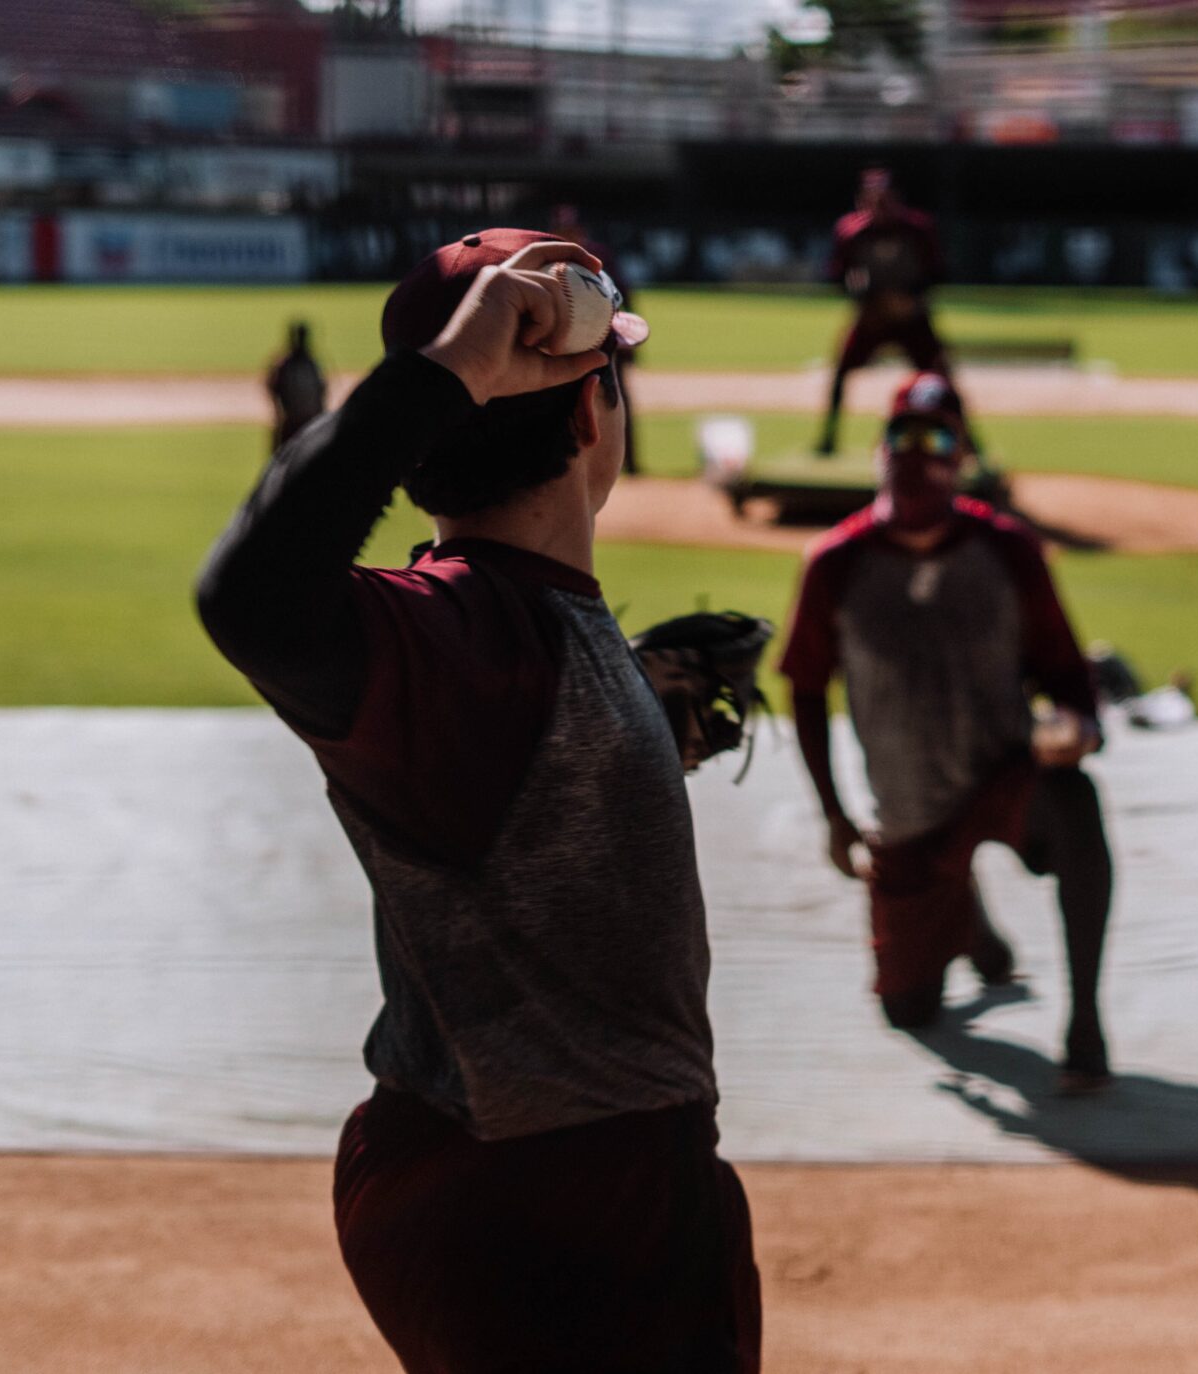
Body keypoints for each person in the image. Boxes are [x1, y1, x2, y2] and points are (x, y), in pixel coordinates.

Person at [195, 230, 761, 1373]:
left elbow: (511, 774)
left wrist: (636, 727)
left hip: (541, 1183)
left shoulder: (505, 635)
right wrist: (454, 372)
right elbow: (251, 600)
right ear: (593, 418)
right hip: (560, 1209)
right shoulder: (463, 638)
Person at [780, 371, 1115, 1093]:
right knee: (910, 1008)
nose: (915, 455)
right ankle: (970, 923)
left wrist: (1079, 727)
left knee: (1077, 801)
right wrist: (835, 816)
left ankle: (1086, 1022)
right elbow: (804, 688)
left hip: (1002, 777)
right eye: (901, 437)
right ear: (879, 450)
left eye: (937, 440)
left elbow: (1064, 668)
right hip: (908, 812)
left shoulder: (1008, 550)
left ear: (961, 457)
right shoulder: (836, 562)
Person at [816, 168, 950, 457]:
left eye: (885, 199)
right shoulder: (851, 231)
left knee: (942, 378)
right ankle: (828, 440)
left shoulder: (918, 229)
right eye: (872, 199)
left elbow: (938, 272)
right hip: (872, 318)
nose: (880, 206)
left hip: (912, 317)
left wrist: (910, 297)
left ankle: (965, 444)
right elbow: (836, 275)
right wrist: (867, 300)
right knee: (841, 372)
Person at [549, 204, 642, 476]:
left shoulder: (600, 255)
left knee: (617, 401)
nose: (569, 234)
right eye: (563, 230)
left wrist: (627, 342)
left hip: (606, 343)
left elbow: (623, 297)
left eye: (572, 229)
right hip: (566, 347)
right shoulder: (548, 260)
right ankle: (571, 466)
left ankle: (631, 463)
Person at [264, 319, 326, 451]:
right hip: (307, 423)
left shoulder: (286, 365)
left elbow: (272, 388)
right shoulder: (311, 364)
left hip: (297, 424)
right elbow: (322, 392)